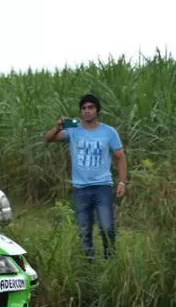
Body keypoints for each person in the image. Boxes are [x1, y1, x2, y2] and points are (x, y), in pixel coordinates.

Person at [44, 93, 128, 259]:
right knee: (84, 230)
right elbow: (48, 139)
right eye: (84, 108)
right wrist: (58, 127)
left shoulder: (109, 132)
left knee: (107, 227)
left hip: (102, 187)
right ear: (81, 112)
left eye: (91, 107)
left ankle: (110, 261)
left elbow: (120, 157)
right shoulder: (73, 130)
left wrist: (122, 182)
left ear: (97, 110)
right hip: (80, 188)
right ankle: (88, 266)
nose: (87, 111)